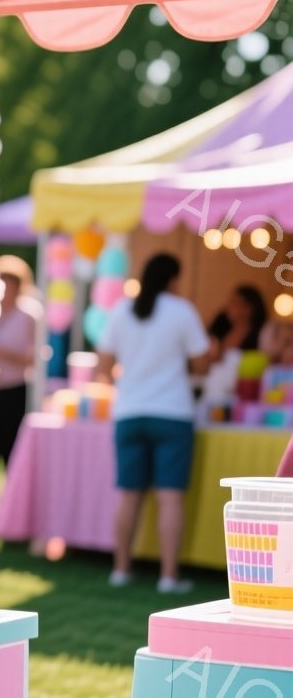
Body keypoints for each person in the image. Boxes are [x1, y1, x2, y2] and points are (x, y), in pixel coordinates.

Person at [96, 253, 210, 594]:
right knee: (170, 497)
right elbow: (202, 364)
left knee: (129, 496)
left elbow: (104, 365)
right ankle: (169, 576)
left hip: (130, 411)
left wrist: (130, 381)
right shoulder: (182, 311)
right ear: (172, 279)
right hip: (172, 413)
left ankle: (120, 569)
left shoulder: (120, 311)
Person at [0, 255, 42, 507]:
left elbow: (34, 357)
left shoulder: (28, 315)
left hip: (14, 388)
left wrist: (2, 352)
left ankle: (12, 498)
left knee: (10, 443)